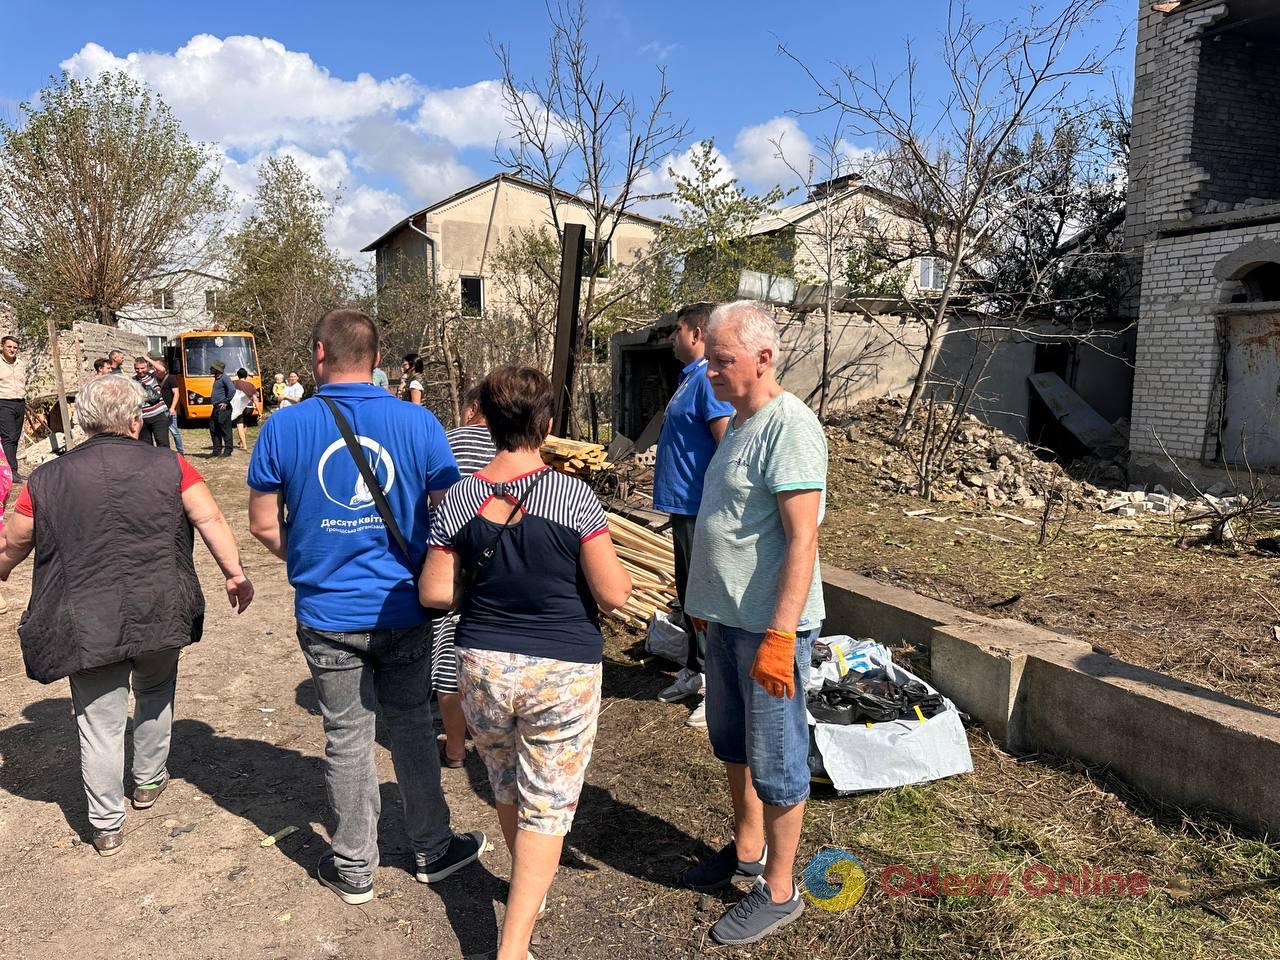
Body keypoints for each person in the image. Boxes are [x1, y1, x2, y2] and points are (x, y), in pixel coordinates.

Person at [247, 308, 484, 906]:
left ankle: (353, 867)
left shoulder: (283, 425)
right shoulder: (419, 422)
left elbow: (261, 524)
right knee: (408, 723)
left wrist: (308, 555)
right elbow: (450, 511)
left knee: (346, 733)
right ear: (378, 361)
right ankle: (432, 847)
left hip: (326, 611)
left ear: (319, 355)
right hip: (404, 605)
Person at [421, 366, 632, 960]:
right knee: (549, 800)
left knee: (506, 782)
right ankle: (513, 946)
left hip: (483, 666)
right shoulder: (574, 497)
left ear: (484, 420)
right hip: (561, 671)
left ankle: (525, 886)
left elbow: (436, 594)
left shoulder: (459, 498)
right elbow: (615, 594)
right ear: (545, 424)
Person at [0, 374, 253, 856]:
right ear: (136, 421)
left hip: (85, 618)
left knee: (99, 721)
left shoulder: (47, 478)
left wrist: (4, 566)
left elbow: (14, 541)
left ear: (83, 421)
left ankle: (106, 824)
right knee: (156, 691)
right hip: (161, 606)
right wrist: (234, 572)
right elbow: (210, 518)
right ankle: (148, 780)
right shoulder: (173, 464)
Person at [682, 301, 828, 947]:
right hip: (727, 621)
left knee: (778, 761)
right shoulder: (741, 423)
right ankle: (746, 848)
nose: (709, 371)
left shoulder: (789, 426)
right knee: (733, 745)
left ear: (763, 358)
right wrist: (703, 599)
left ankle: (779, 886)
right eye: (709, 359)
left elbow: (802, 541)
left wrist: (779, 633)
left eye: (721, 360)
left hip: (770, 629)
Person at [652, 302, 734, 728]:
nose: (672, 338)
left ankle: (716, 689)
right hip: (684, 508)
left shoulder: (707, 381)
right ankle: (695, 670)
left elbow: (725, 447)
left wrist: (720, 505)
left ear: (697, 333)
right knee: (688, 597)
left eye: (676, 330)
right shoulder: (688, 380)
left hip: (701, 507)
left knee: (705, 600)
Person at [431, 383, 497, 769]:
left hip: (449, 562)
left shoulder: (445, 442)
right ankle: (493, 740)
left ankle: (455, 747)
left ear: (472, 408)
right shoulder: (509, 447)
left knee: (446, 658)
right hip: (498, 566)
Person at [0, 335, 27, 480]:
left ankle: (14, 471)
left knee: (15, 437)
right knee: (8, 437)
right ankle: (10, 472)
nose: (12, 350)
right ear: (2, 347)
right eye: (9, 346)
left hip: (20, 403)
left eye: (15, 347)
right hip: (4, 403)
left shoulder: (20, 364)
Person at [132, 357, 171, 448]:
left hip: (158, 415)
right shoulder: (132, 380)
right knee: (146, 446)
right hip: (142, 418)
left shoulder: (153, 375)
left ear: (147, 368)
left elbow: (162, 369)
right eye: (137, 368)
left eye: (142, 368)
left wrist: (148, 359)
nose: (140, 371)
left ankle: (164, 462)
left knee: (163, 444)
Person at [209, 361, 235, 457]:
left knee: (225, 429)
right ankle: (217, 450)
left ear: (217, 369)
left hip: (223, 408)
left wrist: (226, 402)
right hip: (216, 407)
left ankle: (228, 450)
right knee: (214, 428)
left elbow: (232, 390)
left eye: (212, 368)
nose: (210, 369)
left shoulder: (225, 378)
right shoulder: (217, 378)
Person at [160, 366, 185, 453]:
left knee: (175, 432)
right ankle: (165, 451)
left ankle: (180, 452)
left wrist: (172, 408)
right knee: (162, 433)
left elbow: (176, 393)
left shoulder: (171, 378)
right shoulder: (154, 379)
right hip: (158, 410)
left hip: (169, 409)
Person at [232, 367, 257, 451]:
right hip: (250, 406)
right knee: (245, 423)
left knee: (239, 424)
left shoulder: (235, 383)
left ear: (238, 375)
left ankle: (244, 445)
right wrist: (259, 410)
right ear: (246, 376)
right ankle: (241, 442)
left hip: (241, 406)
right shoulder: (251, 385)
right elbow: (255, 398)